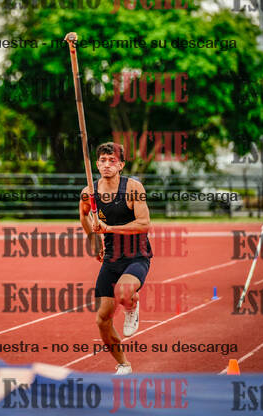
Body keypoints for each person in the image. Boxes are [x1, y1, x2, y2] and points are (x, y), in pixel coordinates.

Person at [79, 142, 152, 375]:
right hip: (111, 258)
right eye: (102, 160)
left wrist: (108, 229)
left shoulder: (133, 187)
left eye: (112, 161)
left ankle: (132, 306)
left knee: (123, 292)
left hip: (136, 255)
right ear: (97, 164)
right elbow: (83, 215)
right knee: (102, 320)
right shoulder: (89, 192)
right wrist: (94, 240)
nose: (107, 165)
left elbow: (144, 224)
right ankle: (123, 364)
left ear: (121, 165)